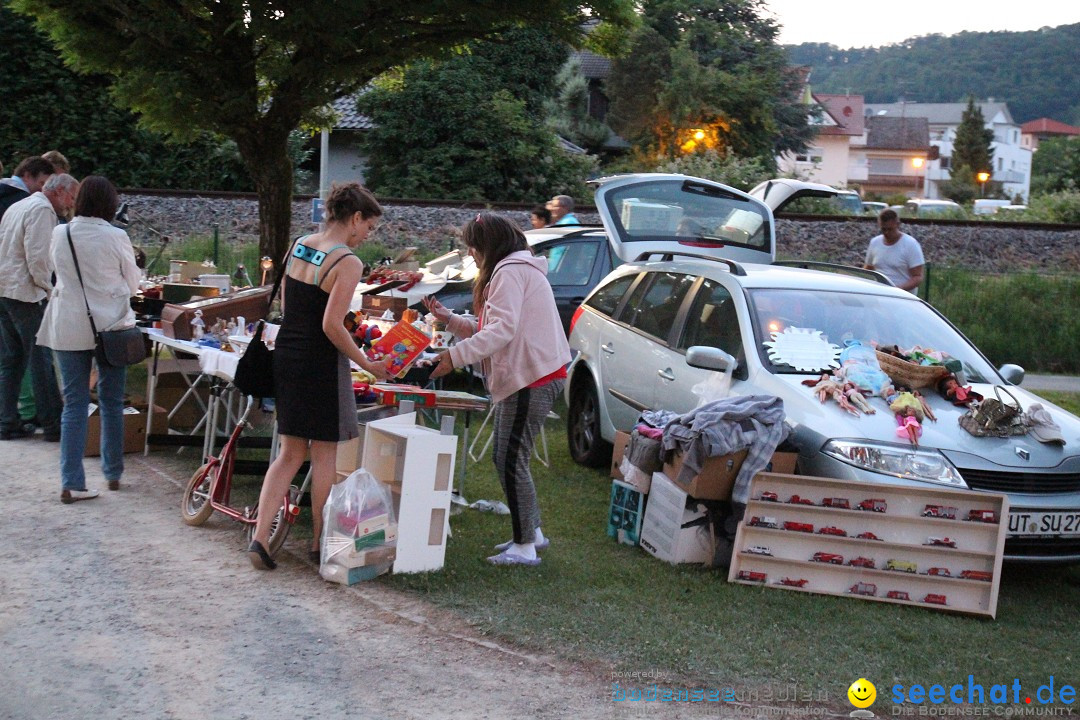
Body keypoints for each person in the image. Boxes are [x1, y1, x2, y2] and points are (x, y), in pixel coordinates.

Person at [248, 182, 390, 570]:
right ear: (355, 218)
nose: (366, 237)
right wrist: (366, 362)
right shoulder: (347, 262)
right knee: (324, 454)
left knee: (289, 453)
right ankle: (318, 543)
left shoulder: (300, 243)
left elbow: (287, 303)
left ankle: (260, 538)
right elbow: (332, 325)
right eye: (369, 228)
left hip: (288, 353)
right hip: (321, 362)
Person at [424, 212, 571, 567]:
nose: (471, 254)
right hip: (536, 373)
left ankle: (525, 546)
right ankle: (530, 532)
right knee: (507, 457)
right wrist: (453, 321)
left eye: (473, 247)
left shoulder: (508, 273)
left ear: (487, 246)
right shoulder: (517, 269)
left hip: (532, 377)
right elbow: (495, 327)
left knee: (509, 458)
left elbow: (500, 332)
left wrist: (452, 357)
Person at [37, 176, 139, 503]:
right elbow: (134, 283)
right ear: (109, 203)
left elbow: (55, 272)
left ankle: (71, 480)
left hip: (67, 324)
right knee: (111, 399)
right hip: (109, 326)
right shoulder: (116, 236)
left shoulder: (59, 232)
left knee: (75, 403)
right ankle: (113, 471)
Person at [0, 173, 78, 443]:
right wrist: (48, 289)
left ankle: (6, 421)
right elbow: (39, 256)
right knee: (40, 358)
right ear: (58, 192)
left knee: (12, 360)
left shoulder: (19, 205)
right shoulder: (43, 211)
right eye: (71, 197)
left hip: (4, 289)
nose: (71, 204)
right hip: (25, 293)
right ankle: (53, 423)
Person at [864, 208, 924, 293]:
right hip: (878, 295)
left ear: (898, 224)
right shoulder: (874, 243)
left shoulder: (910, 244)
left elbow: (918, 277)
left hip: (902, 297)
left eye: (890, 229)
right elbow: (868, 270)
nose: (887, 232)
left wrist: (897, 290)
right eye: (883, 229)